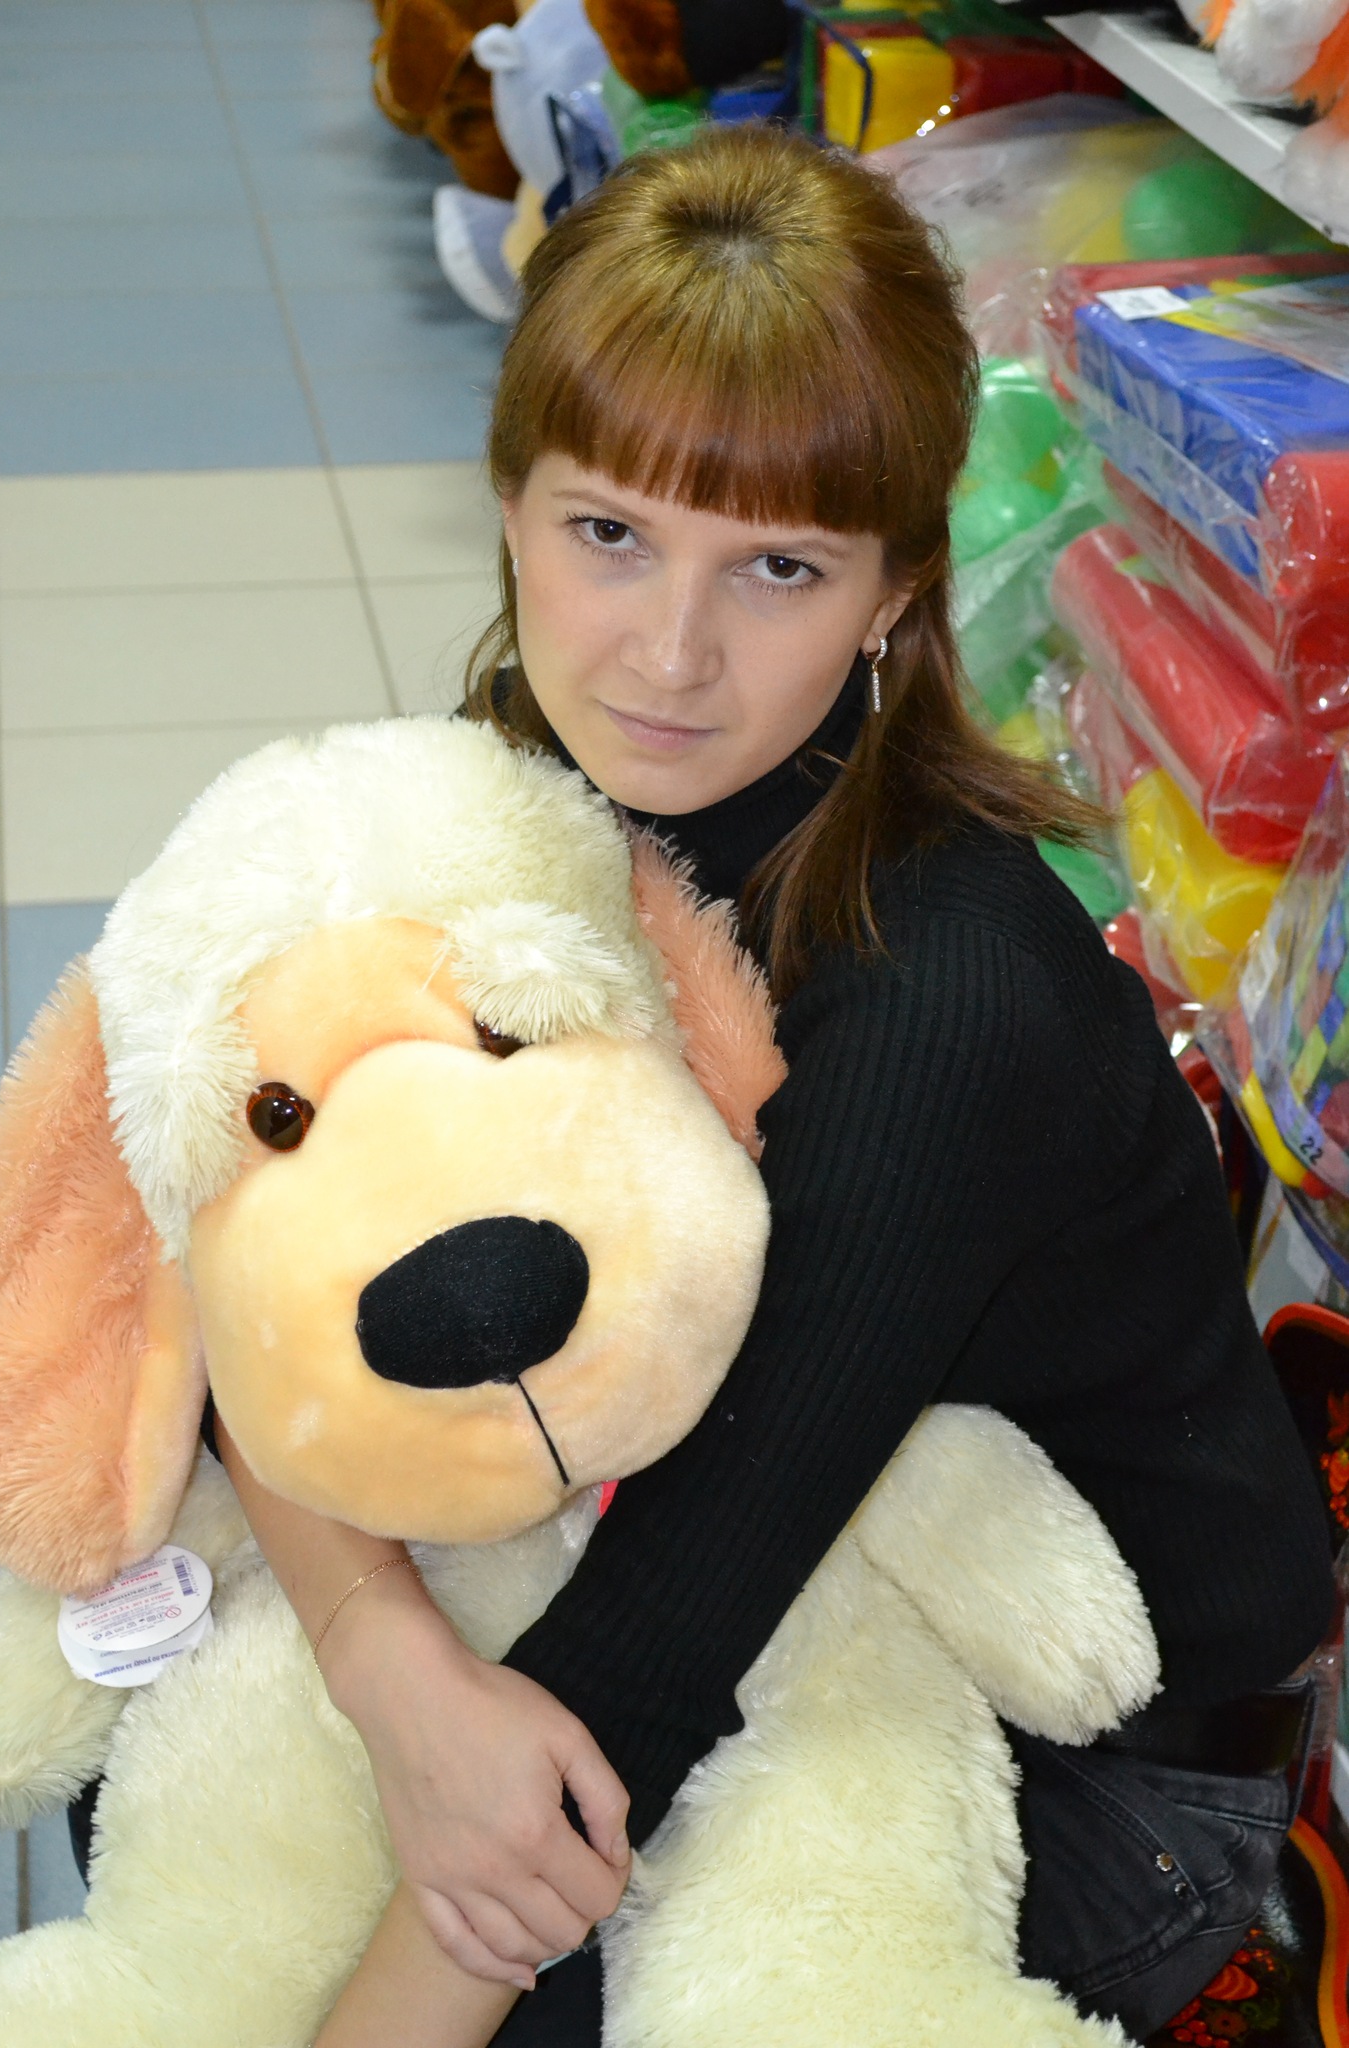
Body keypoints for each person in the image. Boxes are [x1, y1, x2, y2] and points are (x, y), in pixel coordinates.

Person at [214, 125, 1335, 2048]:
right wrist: (382, 1654)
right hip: (770, 1573)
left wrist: (425, 1778)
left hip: (1076, 1771)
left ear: (894, 591)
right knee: (184, 1718)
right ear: (507, 504)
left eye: (780, 569)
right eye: (608, 534)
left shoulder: (941, 1008)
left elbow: (622, 1705)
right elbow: (255, 1228)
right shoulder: (517, 780)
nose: (667, 654)